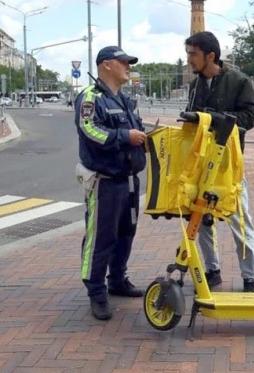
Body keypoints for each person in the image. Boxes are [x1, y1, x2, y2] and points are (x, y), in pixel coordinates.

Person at [74, 45, 147, 320]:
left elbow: (135, 129)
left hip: (128, 180)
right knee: (100, 238)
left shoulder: (124, 100)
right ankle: (96, 292)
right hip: (104, 182)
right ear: (106, 65)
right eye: (123, 62)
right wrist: (125, 137)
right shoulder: (91, 98)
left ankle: (117, 279)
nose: (128, 66)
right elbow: (90, 130)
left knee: (125, 233)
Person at [184, 31, 254, 292]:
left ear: (211, 56)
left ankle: (249, 277)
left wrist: (216, 118)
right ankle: (212, 270)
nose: (189, 60)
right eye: (188, 54)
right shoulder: (195, 86)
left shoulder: (239, 81)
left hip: (229, 166)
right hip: (202, 165)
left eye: (193, 54)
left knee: (239, 221)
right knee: (201, 219)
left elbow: (250, 117)